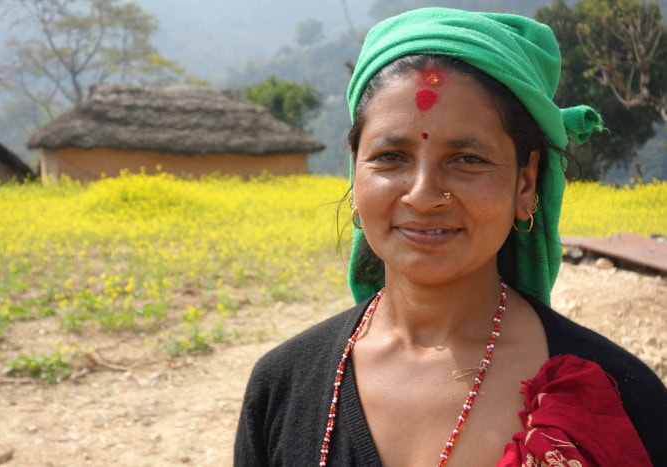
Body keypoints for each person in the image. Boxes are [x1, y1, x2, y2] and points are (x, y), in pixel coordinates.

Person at [234, 7, 667, 466]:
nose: (422, 196)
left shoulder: (623, 397)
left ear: (525, 184)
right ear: (355, 178)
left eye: (467, 160)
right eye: (391, 156)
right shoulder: (280, 389)